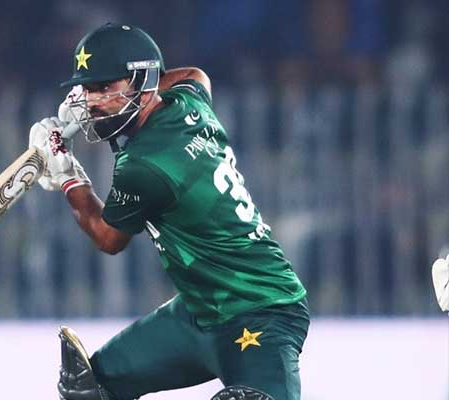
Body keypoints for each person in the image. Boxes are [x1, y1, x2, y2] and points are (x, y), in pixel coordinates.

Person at [28, 23, 309, 400]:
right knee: (87, 389)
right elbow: (195, 75)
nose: (92, 101)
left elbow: (108, 238)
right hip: (197, 311)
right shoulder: (189, 103)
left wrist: (67, 172)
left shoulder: (144, 164)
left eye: (104, 87)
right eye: (87, 89)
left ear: (143, 83)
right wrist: (107, 101)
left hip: (261, 311)